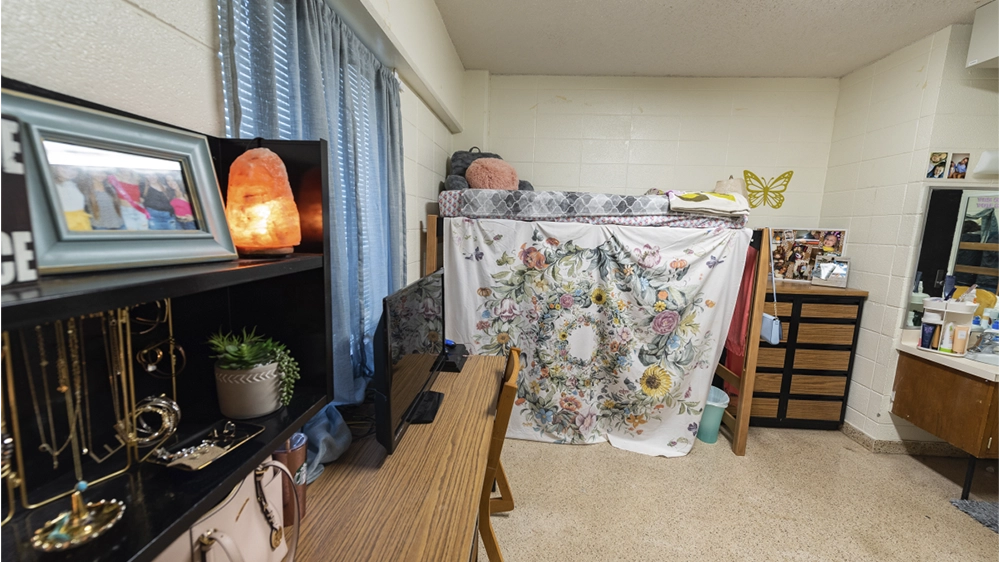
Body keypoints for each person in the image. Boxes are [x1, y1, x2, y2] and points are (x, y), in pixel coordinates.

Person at [53, 166, 92, 231]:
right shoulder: (51, 185)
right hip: (64, 222)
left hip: (82, 222)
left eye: (74, 169)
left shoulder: (74, 184)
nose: (70, 171)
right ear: (56, 167)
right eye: (65, 167)